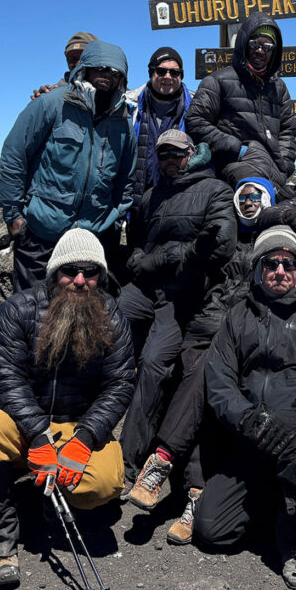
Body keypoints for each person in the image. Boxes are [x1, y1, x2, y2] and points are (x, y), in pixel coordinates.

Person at [0, 229, 135, 588]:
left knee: (104, 484)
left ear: (101, 276)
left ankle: (51, 505)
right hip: (24, 427)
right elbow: (5, 378)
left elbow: (119, 385)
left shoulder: (112, 316)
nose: (80, 280)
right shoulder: (19, 309)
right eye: (70, 271)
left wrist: (85, 439)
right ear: (55, 273)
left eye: (90, 272)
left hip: (77, 428)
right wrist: (38, 435)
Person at [193, 228, 296, 590]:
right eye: (271, 263)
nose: (280, 271)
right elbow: (219, 379)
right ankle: (277, 501)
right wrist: (247, 418)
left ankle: (293, 541)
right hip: (251, 434)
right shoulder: (238, 315)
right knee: (212, 530)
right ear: (258, 269)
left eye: (288, 264)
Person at [124, 177, 274, 545]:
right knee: (200, 385)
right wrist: (197, 252)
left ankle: (161, 459)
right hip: (205, 326)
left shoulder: (277, 244)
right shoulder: (224, 241)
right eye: (245, 196)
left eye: (258, 196)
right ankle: (194, 493)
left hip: (241, 337)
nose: (250, 202)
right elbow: (194, 278)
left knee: (205, 374)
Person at [120, 130, 236, 490]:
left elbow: (219, 247)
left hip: (181, 292)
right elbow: (138, 242)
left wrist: (160, 260)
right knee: (106, 323)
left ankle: (128, 458)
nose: (170, 160)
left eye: (176, 154)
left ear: (191, 153)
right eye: (163, 155)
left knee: (155, 361)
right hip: (145, 287)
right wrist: (141, 259)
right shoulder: (152, 196)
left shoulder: (216, 190)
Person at [0, 40, 137, 291]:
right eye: (101, 69)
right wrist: (15, 218)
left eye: (115, 73)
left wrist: (114, 222)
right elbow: (14, 157)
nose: (108, 76)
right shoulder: (51, 104)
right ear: (85, 69)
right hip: (41, 235)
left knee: (87, 317)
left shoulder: (123, 123)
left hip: (93, 238)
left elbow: (126, 180)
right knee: (33, 312)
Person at [186, 12, 296, 195]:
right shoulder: (217, 81)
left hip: (274, 169)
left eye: (267, 46)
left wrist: (285, 164)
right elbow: (195, 120)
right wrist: (238, 148)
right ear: (244, 43)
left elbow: (288, 130)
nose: (260, 50)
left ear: (274, 51)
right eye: (255, 43)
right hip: (233, 165)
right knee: (258, 200)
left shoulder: (279, 88)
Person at [125, 46, 194, 215]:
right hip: (138, 206)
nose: (168, 77)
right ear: (151, 73)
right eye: (161, 71)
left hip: (181, 205)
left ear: (181, 76)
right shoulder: (128, 105)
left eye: (174, 72)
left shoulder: (197, 106)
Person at [30, 31, 98, 99]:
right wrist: (40, 101)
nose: (78, 64)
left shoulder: (107, 90)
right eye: (72, 59)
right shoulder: (56, 93)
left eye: (84, 58)